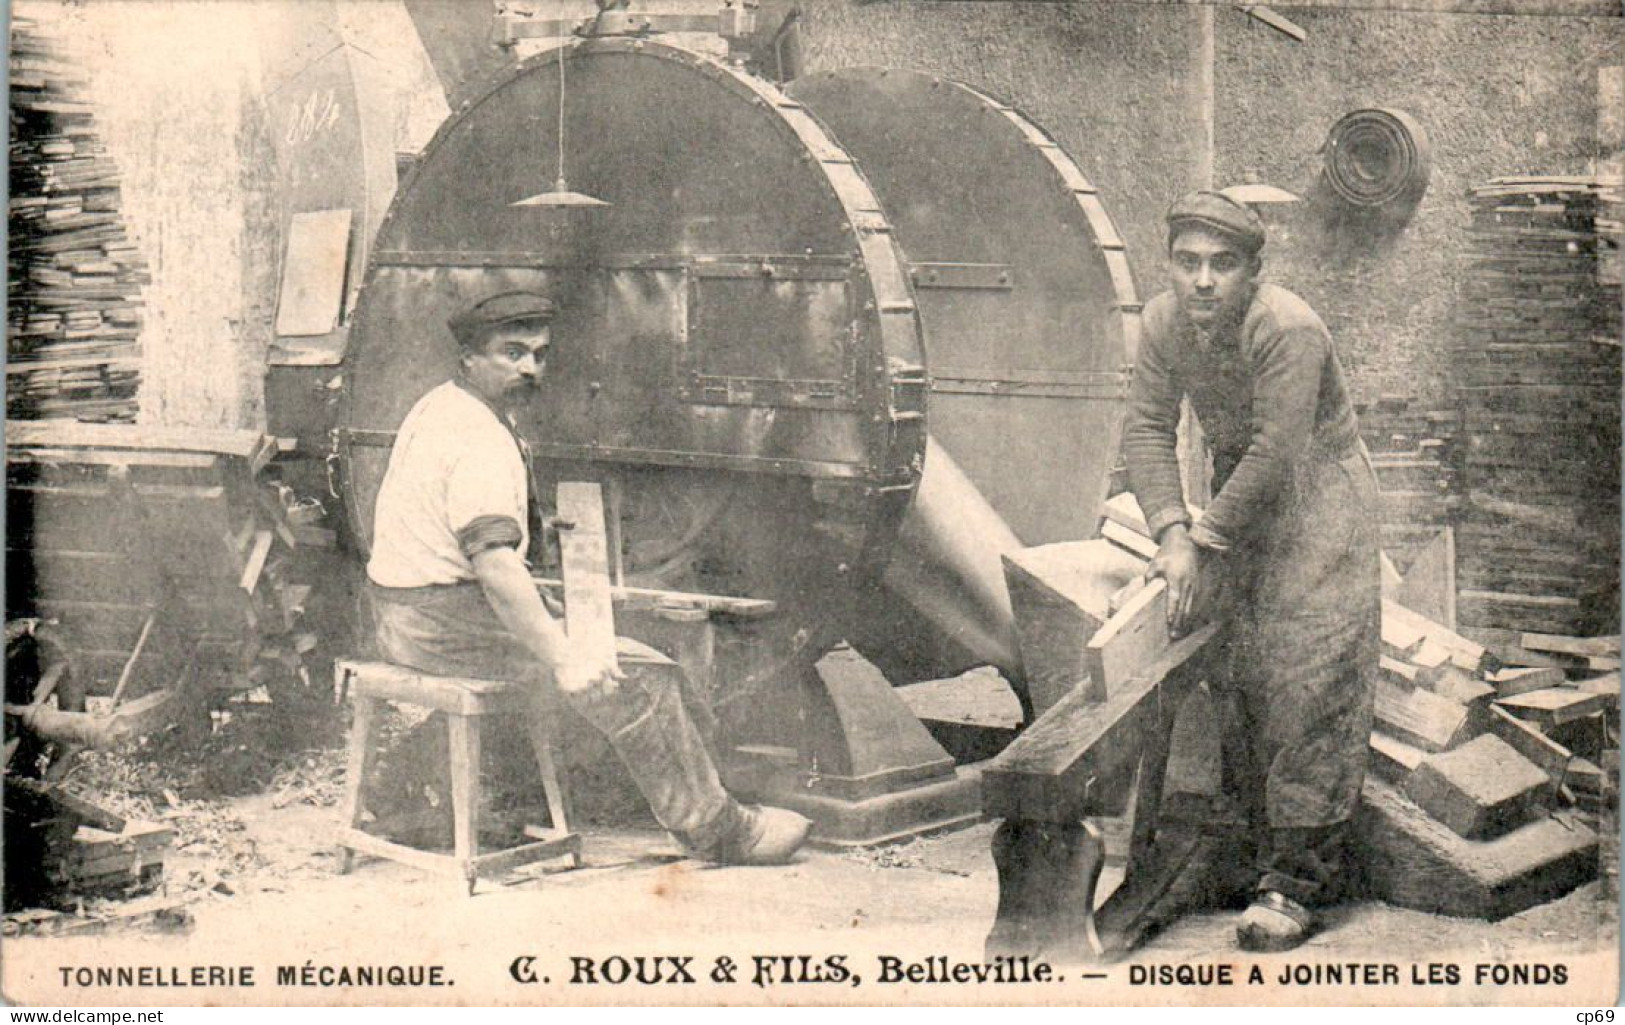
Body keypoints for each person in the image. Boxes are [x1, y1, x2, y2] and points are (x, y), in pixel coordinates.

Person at [364, 290, 811, 865]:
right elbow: (497, 569)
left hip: (400, 611)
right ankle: (718, 830)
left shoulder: (440, 405)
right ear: (470, 358)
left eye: (540, 355)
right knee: (640, 672)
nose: (529, 368)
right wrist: (567, 658)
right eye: (512, 352)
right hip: (438, 623)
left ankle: (408, 786)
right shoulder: (480, 439)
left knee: (605, 640)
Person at [1120, 190, 1380, 952]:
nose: (1202, 281)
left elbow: (1279, 452)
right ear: (1170, 265)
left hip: (1318, 497)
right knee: (1235, 668)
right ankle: (1240, 844)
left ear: (1251, 272)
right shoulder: (1163, 322)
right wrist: (1170, 530)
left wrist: (1204, 537)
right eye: (1187, 262)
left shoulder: (1286, 326)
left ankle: (1292, 881)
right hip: (1243, 491)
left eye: (1222, 265)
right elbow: (1143, 426)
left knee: (1309, 679)